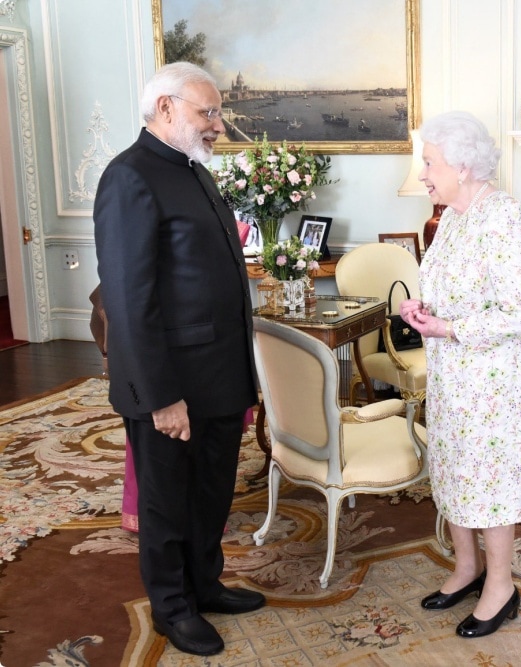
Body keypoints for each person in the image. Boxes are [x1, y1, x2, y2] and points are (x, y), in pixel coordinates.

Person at [94, 61, 265, 657]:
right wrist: (161, 396)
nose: (219, 124)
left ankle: (205, 586)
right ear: (165, 108)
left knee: (212, 492)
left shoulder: (195, 170)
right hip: (170, 385)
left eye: (218, 112)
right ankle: (172, 607)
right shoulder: (129, 177)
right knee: (167, 503)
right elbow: (128, 300)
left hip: (218, 376)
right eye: (207, 112)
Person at [398, 111, 521, 639]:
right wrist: (422, 309)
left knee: (490, 478)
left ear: (461, 165)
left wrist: (449, 327)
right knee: (455, 468)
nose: (424, 173)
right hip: (452, 376)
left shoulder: (505, 217)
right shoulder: (453, 217)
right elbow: (448, 288)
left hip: (493, 382)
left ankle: (500, 585)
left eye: (429, 162)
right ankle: (466, 568)